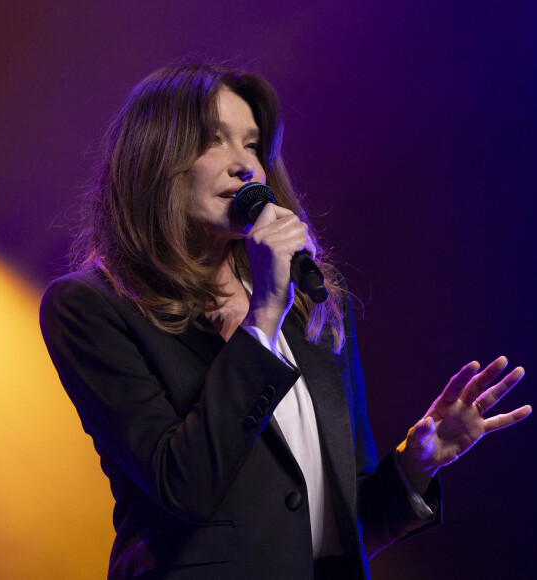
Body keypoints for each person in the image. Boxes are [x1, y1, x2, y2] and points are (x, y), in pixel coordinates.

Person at [39, 62, 531, 580]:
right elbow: (184, 484)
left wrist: (417, 463)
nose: (245, 166)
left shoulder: (310, 300)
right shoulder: (93, 306)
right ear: (155, 159)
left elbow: (335, 526)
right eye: (215, 140)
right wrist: (263, 313)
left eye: (253, 145)